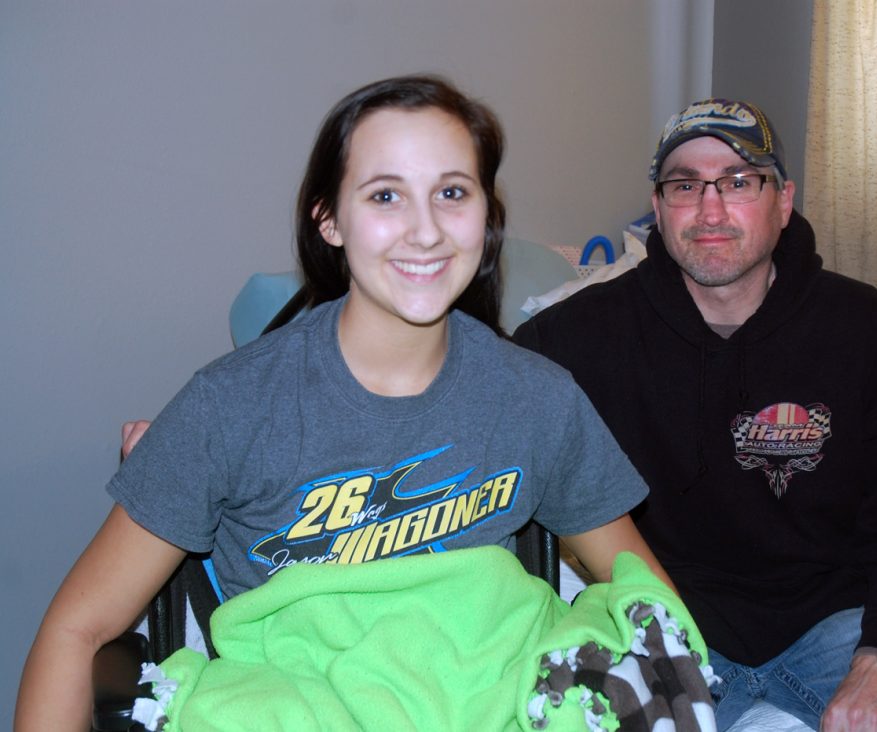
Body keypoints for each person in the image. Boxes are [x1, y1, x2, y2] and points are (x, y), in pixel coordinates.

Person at [15, 75, 672, 732]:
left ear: (485, 213)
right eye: (386, 195)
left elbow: (649, 606)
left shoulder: (538, 399)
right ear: (329, 219)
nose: (426, 232)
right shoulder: (230, 408)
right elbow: (76, 629)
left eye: (451, 193)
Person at [511, 99, 877, 731]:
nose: (710, 210)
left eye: (737, 182)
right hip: (662, 620)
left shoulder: (865, 328)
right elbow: (479, 410)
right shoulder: (576, 337)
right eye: (685, 186)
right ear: (659, 208)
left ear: (783, 202)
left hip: (838, 621)